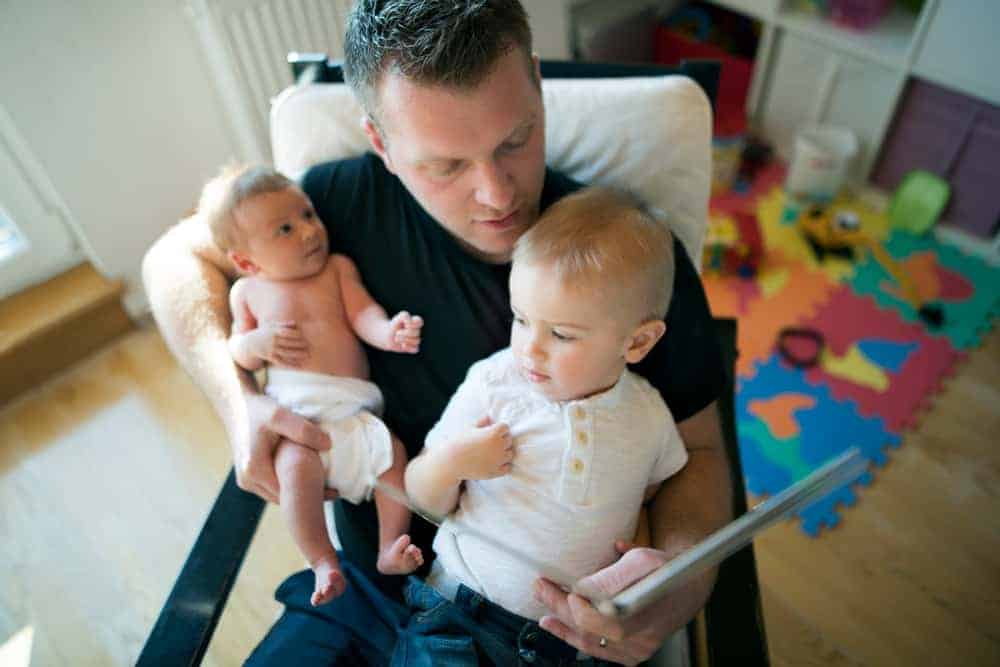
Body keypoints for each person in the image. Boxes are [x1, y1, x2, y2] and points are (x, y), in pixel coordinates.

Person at [141, 1, 732, 664]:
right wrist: (238, 402)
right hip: (361, 591)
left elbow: (700, 453)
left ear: (536, 84)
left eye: (514, 140)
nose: (496, 194)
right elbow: (174, 258)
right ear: (382, 143)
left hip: (536, 631)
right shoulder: (333, 207)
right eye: (445, 166)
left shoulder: (629, 261)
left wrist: (677, 584)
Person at [400, 187, 690, 664]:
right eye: (521, 319)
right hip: (459, 616)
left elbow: (651, 494)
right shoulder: (494, 383)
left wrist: (636, 551)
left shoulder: (648, 416)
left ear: (637, 342)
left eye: (560, 334)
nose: (530, 349)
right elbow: (420, 493)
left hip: (571, 644)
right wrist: (453, 463)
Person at [202, 164, 425, 606]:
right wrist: (256, 342)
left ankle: (388, 547)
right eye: (285, 228)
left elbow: (363, 315)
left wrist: (388, 332)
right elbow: (237, 352)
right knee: (294, 471)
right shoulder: (247, 292)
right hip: (298, 414)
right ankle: (322, 558)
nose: (308, 231)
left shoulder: (337, 270)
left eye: (307, 215)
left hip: (354, 410)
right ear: (247, 261)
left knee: (393, 457)